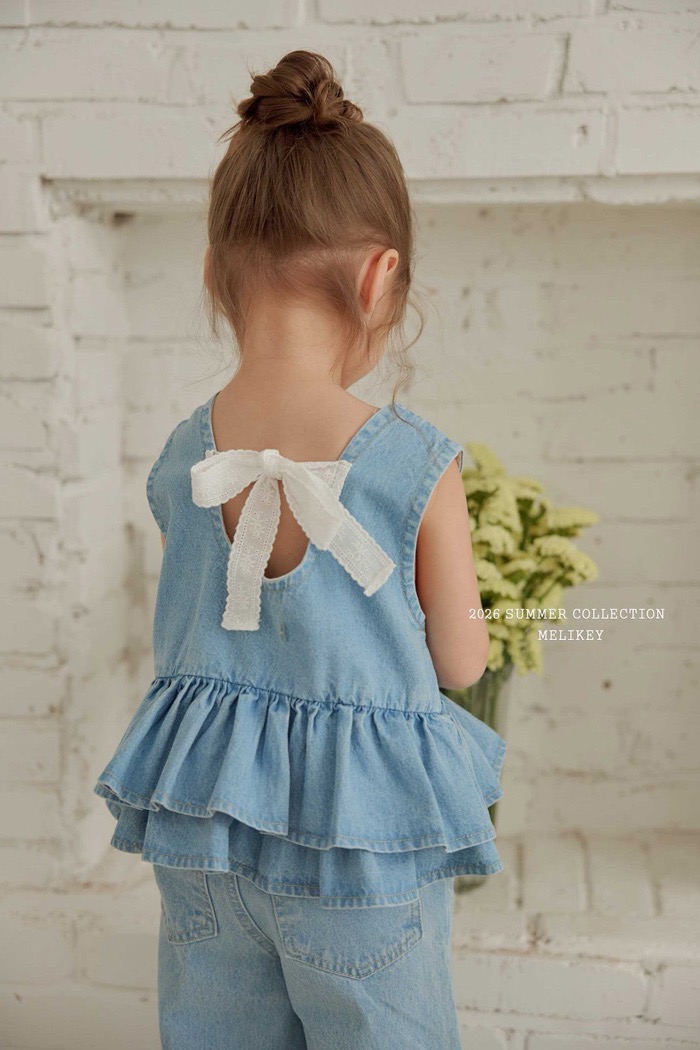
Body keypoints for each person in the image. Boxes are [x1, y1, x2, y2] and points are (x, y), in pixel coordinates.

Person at [93, 49, 506, 1050]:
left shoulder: (184, 458)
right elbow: (463, 662)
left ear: (214, 271)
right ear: (380, 276)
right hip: (357, 850)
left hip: (204, 835)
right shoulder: (413, 464)